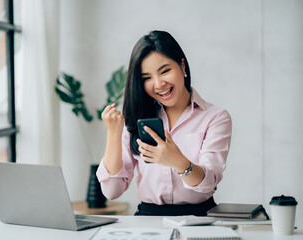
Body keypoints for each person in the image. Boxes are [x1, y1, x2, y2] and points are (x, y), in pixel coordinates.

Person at [96, 30, 232, 216]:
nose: (158, 84)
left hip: (200, 218)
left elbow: (209, 182)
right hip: (148, 219)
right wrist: (113, 134)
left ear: (182, 66)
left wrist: (178, 162)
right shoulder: (136, 118)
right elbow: (112, 191)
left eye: (165, 71)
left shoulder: (215, 118)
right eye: (147, 78)